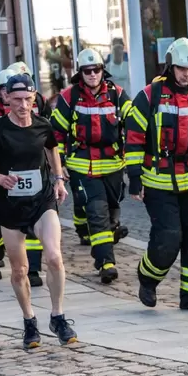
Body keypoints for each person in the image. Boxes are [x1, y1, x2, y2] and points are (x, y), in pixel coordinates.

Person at [125, 38, 188, 312]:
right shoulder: (150, 95)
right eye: (182, 68)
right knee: (168, 238)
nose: (186, 74)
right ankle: (148, 278)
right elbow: (134, 138)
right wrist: (134, 176)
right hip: (158, 181)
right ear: (170, 67)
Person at [0, 73, 77, 348]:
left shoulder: (43, 125)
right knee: (20, 270)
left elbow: (52, 150)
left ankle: (58, 316)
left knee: (54, 257)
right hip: (9, 206)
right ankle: (29, 321)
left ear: (35, 99)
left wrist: (58, 179)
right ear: (6, 98)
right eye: (17, 99)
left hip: (42, 200)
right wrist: (0, 179)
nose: (23, 105)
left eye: (28, 100)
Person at [51, 49, 132, 284]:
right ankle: (106, 263)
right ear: (81, 73)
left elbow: (134, 122)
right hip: (83, 167)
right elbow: (56, 133)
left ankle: (111, 233)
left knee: (112, 210)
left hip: (114, 165)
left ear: (102, 70)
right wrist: (61, 164)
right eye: (87, 71)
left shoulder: (117, 94)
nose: (93, 74)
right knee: (97, 212)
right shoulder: (70, 97)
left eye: (96, 70)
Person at [0, 64, 49, 287]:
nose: (12, 98)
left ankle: (33, 269)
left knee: (33, 229)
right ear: (0, 93)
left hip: (30, 185)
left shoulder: (31, 115)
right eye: (6, 92)